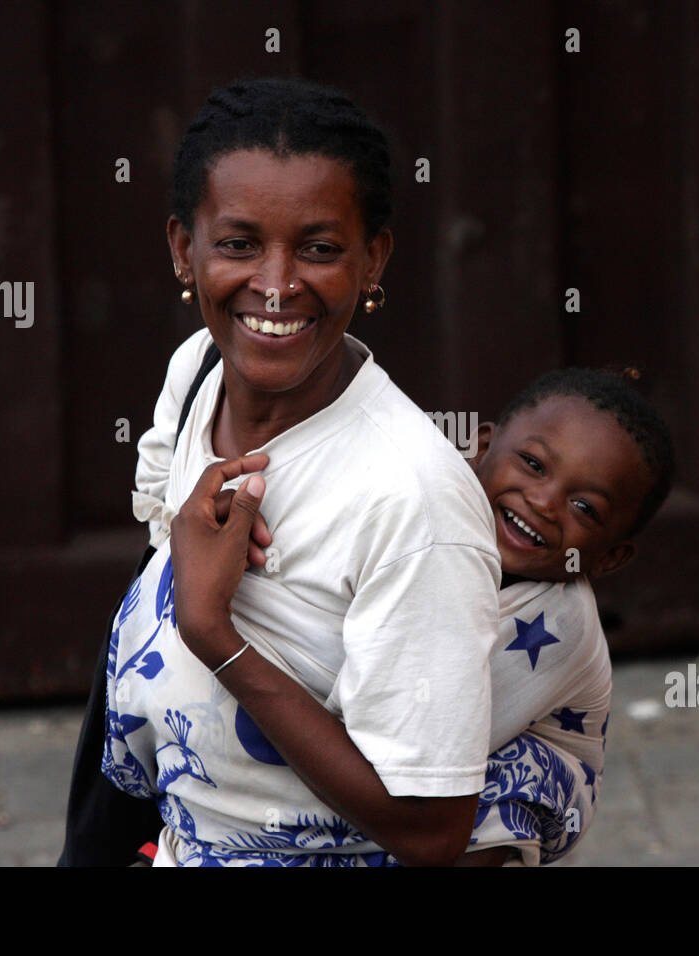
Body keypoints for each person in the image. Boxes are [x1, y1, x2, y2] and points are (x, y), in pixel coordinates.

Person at [62, 75, 503, 868]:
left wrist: (213, 632)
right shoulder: (197, 372)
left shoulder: (410, 498)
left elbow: (433, 829)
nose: (275, 285)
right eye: (238, 244)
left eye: (320, 248)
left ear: (374, 260)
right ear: (182, 249)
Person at [122, 346, 673, 864]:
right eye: (532, 463)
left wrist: (222, 632)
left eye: (584, 506)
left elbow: (402, 747)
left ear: (609, 558)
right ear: (480, 446)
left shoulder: (556, 622)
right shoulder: (410, 511)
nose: (544, 502)